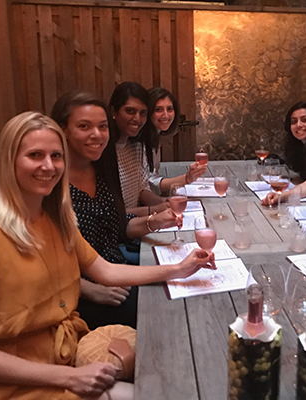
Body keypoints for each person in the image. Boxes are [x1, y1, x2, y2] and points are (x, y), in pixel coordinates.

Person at [0, 112, 214, 400]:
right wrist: (70, 377)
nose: (48, 165)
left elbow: (105, 270)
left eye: (56, 156)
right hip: (16, 385)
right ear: (9, 161)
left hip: (66, 358)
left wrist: (178, 269)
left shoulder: (55, 220)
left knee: (168, 373)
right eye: (35, 155)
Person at [51, 91, 181, 329]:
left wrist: (155, 221)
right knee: (169, 313)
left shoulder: (102, 169)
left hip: (116, 269)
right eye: (84, 126)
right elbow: (44, 261)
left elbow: (119, 228)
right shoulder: (51, 182)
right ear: (62, 130)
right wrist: (89, 290)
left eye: (102, 127)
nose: (97, 135)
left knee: (182, 291)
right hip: (79, 291)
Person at [109, 82, 166, 214]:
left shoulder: (137, 146)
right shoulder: (103, 151)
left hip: (135, 224)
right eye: (130, 111)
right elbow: (110, 214)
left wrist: (164, 202)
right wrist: (153, 210)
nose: (137, 118)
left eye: (143, 113)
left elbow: (141, 189)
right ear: (113, 111)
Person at [145, 86, 206, 195]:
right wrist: (186, 178)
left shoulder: (155, 136)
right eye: (158, 109)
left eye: (169, 109)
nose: (166, 115)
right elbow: (148, 183)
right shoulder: (142, 141)